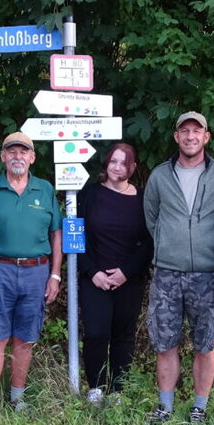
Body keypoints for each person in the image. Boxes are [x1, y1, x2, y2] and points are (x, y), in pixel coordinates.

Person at [144, 111, 214, 425]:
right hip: (167, 272)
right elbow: (151, 218)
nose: (191, 136)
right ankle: (165, 407)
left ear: (207, 137)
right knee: (164, 342)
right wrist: (172, 244)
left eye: (197, 131)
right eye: (185, 131)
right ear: (176, 136)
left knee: (205, 343)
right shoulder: (159, 176)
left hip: (209, 275)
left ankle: (199, 408)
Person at [0, 132, 63, 424]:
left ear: (32, 157)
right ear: (3, 157)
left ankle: (17, 398)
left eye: (24, 152)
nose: (17, 156)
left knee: (25, 338)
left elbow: (56, 233)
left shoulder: (44, 190)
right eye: (12, 151)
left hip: (36, 271)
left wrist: (55, 275)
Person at [77, 142, 152, 404]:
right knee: (96, 333)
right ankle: (96, 387)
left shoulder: (143, 199)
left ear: (132, 167)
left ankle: (118, 391)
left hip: (129, 279)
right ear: (106, 163)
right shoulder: (89, 195)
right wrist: (92, 271)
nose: (117, 167)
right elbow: (76, 237)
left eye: (124, 162)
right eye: (113, 161)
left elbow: (150, 242)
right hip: (94, 277)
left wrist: (127, 272)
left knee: (123, 335)